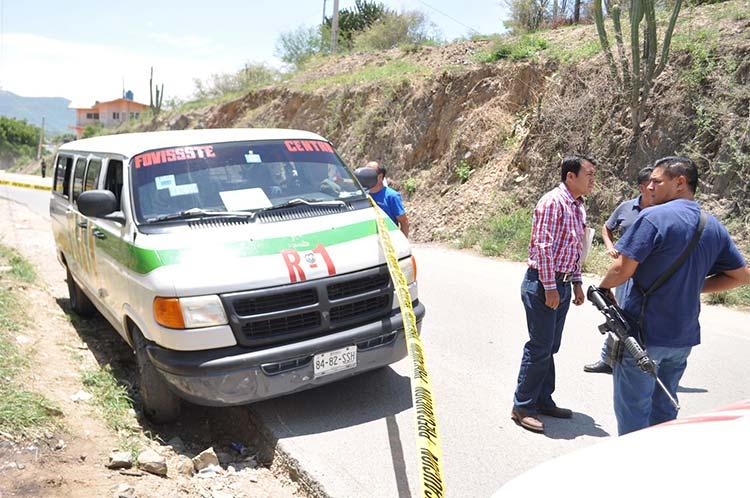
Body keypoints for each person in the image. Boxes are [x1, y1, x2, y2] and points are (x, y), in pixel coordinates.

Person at [598, 156, 750, 436]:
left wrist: (604, 287)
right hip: (682, 339)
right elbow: (741, 276)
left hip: (642, 337)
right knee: (665, 412)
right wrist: (695, 286)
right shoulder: (712, 225)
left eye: (657, 181)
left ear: (680, 182)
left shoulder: (653, 217)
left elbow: (622, 268)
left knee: (633, 415)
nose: (650, 187)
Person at [511, 155, 596, 433]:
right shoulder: (552, 203)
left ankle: (543, 399)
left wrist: (576, 283)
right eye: (588, 174)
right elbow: (544, 248)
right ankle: (522, 406)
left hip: (560, 284)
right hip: (542, 284)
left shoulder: (578, 206)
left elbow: (574, 249)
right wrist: (549, 287)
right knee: (539, 347)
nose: (592, 180)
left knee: (551, 347)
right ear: (570, 176)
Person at [584, 166, 654, 374]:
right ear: (642, 187)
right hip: (624, 270)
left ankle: (638, 360)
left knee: (642, 317)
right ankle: (608, 359)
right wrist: (610, 247)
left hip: (649, 274)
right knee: (617, 315)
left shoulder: (661, 211)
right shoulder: (626, 208)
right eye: (651, 184)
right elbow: (607, 227)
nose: (655, 188)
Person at [366, 161, 409, 237]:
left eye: (370, 173)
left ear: (380, 177)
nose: (366, 176)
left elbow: (404, 222)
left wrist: (401, 244)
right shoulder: (364, 196)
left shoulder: (392, 196)